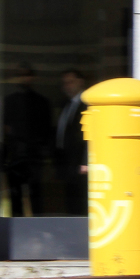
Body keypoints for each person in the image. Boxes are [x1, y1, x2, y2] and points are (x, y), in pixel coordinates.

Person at [3, 63, 52, 216]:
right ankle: (17, 231)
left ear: (32, 77)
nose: (24, 78)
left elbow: (47, 131)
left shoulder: (42, 102)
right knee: (15, 198)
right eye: (21, 75)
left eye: (26, 75)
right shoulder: (8, 101)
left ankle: (37, 229)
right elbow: (3, 130)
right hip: (15, 156)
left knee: (36, 197)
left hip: (34, 157)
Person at [54, 69, 89, 215]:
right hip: (66, 160)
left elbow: (89, 135)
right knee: (70, 199)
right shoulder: (65, 105)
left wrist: (86, 161)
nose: (67, 86)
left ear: (80, 82)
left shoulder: (87, 104)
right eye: (65, 83)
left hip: (79, 161)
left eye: (71, 82)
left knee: (80, 199)